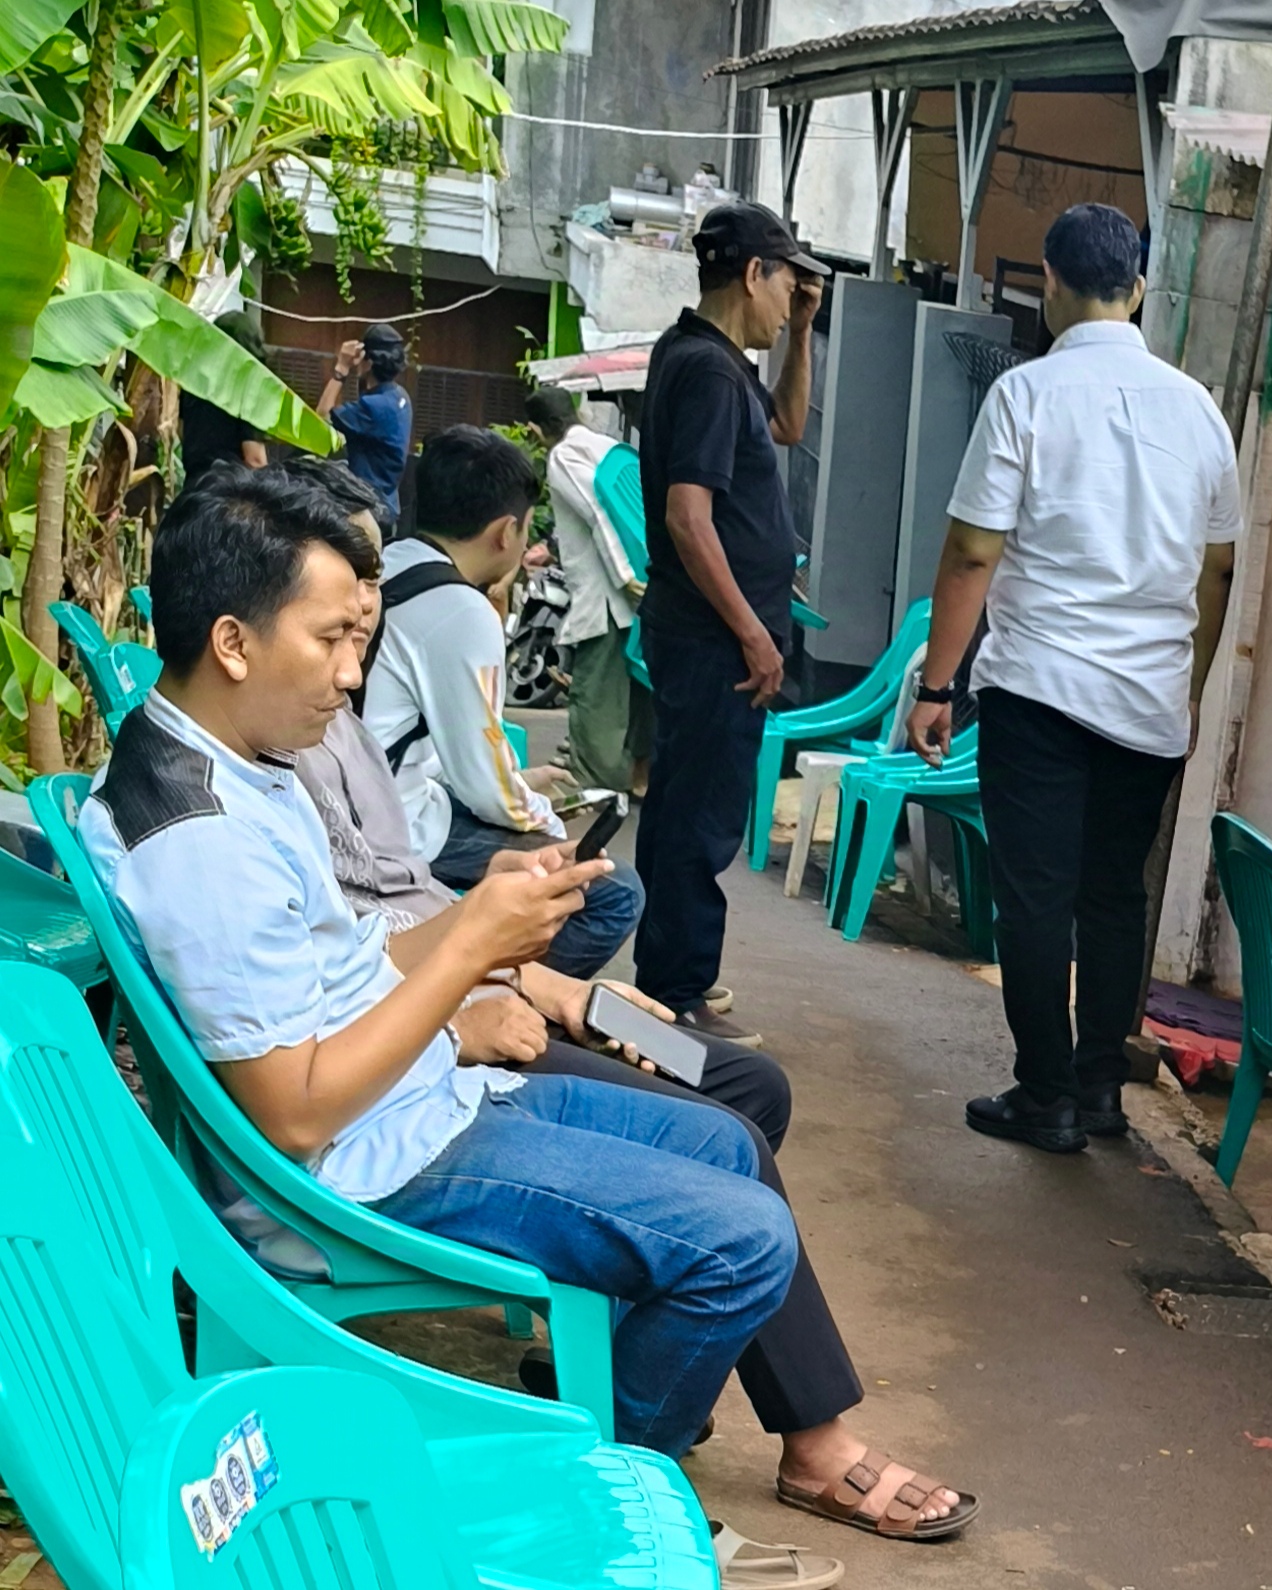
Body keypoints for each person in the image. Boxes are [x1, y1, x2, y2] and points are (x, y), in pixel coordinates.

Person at [281, 454, 974, 1543]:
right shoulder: (244, 792)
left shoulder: (309, 737)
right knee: (730, 1133)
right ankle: (706, 1445)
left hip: (446, 1029)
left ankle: (664, 1373)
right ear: (244, 628)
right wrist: (484, 985)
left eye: (360, 618)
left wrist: (525, 976)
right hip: (427, 1070)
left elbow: (380, 916)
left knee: (738, 1091)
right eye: (338, 626)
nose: (359, 650)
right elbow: (315, 1039)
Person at [82, 466, 797, 1474]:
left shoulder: (238, 758)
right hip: (358, 1174)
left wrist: (479, 929)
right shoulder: (199, 837)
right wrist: (468, 954)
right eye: (330, 640)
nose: (348, 675)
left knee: (728, 1150)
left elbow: (347, 958)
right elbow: (293, 1114)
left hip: (415, 1109)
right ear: (233, 642)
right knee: (747, 1243)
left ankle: (594, 1413)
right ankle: (600, 1483)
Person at [907, 203, 1241, 1154]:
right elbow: (1217, 570)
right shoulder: (1199, 408)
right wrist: (1190, 683)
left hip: (1042, 691)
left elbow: (972, 552)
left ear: (1050, 283)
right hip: (1148, 707)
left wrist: (937, 687)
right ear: (1137, 289)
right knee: (1112, 898)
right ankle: (1100, 1091)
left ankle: (1044, 1093)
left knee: (1037, 898)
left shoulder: (1026, 396)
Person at [632, 202, 824, 1043]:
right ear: (754, 272)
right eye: (788, 281)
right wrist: (752, 630)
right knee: (700, 816)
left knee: (687, 807)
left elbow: (787, 427)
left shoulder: (709, 358)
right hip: (714, 639)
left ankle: (675, 981)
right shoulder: (708, 373)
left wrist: (802, 338)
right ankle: (676, 995)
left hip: (701, 632)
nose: (792, 297)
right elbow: (688, 515)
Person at [360, 425, 644, 979]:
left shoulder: (390, 564)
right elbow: (484, 786)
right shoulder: (461, 610)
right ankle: (503, 993)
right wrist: (549, 824)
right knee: (613, 893)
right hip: (396, 823)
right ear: (505, 531)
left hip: (368, 794)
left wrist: (522, 781)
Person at [527, 386, 652, 797]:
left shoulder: (562, 456)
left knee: (596, 701)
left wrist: (622, 577)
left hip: (605, 601)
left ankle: (594, 784)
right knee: (633, 697)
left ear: (536, 428)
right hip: (636, 595)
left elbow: (598, 513)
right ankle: (637, 775)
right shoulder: (609, 448)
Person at [318, 322, 412, 524]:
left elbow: (322, 418)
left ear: (369, 363)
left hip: (368, 509)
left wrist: (342, 368)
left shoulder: (374, 407)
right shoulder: (399, 396)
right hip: (387, 504)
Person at [180, 310, 271, 484]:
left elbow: (181, 430)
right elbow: (255, 460)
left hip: (194, 485)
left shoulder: (194, 381)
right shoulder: (249, 388)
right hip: (229, 493)